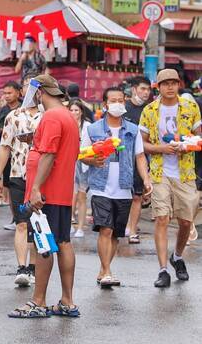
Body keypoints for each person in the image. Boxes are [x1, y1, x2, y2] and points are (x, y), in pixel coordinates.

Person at [9, 74, 79, 319]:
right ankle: (67, 301)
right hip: (61, 192)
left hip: (46, 193)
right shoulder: (68, 115)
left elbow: (48, 154)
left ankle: (38, 302)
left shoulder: (51, 117)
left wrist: (36, 188)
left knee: (43, 247)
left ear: (40, 93)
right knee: (62, 242)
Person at [81, 87, 152, 288]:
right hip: (100, 186)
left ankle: (104, 269)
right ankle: (107, 272)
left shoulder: (132, 129)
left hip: (124, 186)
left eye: (121, 100)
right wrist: (93, 161)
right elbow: (82, 155)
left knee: (115, 234)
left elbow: (139, 156)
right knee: (105, 228)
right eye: (113, 100)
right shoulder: (92, 129)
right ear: (105, 104)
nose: (118, 103)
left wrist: (146, 180)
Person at [139, 69, 201, 288]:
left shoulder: (190, 107)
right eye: (165, 83)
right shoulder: (149, 110)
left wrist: (187, 144)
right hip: (159, 172)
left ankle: (177, 255)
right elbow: (142, 144)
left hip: (185, 173)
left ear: (178, 84)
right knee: (162, 218)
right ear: (158, 87)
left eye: (174, 83)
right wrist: (161, 148)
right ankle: (163, 269)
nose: (170, 87)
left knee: (186, 221)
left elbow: (199, 138)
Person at [0, 77, 41, 286]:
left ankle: (35, 267)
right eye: (27, 86)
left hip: (42, 177)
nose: (32, 91)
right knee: (22, 222)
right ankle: (22, 267)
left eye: (37, 87)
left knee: (38, 223)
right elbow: (5, 147)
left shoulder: (48, 116)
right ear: (22, 90)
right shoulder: (13, 116)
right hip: (17, 176)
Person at [124, 76, 152, 244]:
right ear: (134, 89)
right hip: (122, 159)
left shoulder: (149, 111)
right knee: (124, 196)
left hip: (140, 158)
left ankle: (133, 230)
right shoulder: (124, 108)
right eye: (142, 89)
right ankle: (121, 226)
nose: (145, 92)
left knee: (137, 196)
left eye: (148, 89)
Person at [0, 81, 22, 210]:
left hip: (21, 153)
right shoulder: (1, 111)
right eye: (4, 93)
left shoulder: (24, 109)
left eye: (9, 93)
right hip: (6, 152)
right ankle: (14, 217)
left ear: (18, 92)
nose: (7, 96)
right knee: (9, 184)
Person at [69, 99, 90, 238]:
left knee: (82, 196)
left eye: (77, 110)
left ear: (81, 112)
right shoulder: (66, 124)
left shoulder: (88, 126)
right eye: (72, 110)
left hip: (83, 163)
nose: (74, 112)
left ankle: (80, 227)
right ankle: (69, 223)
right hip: (69, 163)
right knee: (70, 195)